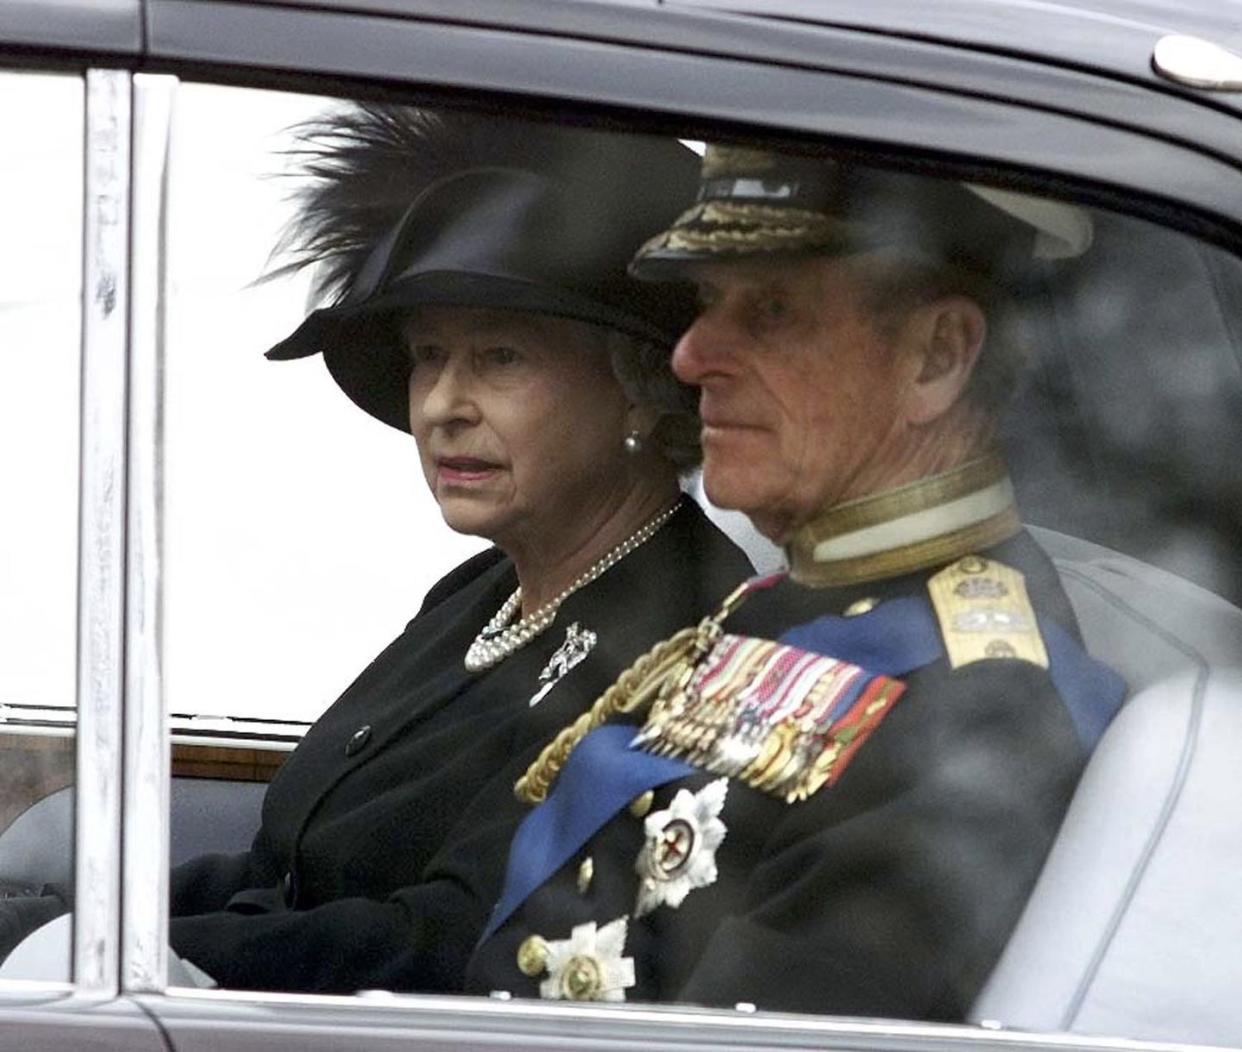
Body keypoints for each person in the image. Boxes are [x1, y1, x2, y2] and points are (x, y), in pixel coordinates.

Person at [1, 109, 752, 992]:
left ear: (641, 388)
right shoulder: (480, 594)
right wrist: (51, 920)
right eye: (429, 356)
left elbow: (447, 942)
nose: (441, 404)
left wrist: (124, 961)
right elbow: (276, 873)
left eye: (500, 358)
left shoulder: (692, 638)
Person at [463, 145, 1127, 1019]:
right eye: (706, 302)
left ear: (937, 357)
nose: (692, 356)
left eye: (772, 309)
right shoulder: (790, 600)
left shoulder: (983, 713)